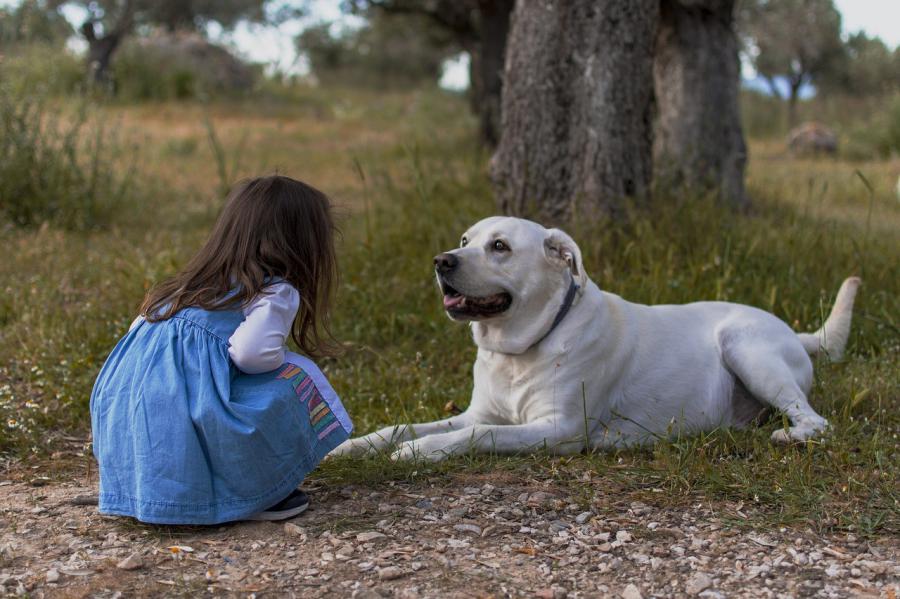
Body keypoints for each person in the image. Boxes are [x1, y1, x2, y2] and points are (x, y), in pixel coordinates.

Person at [90, 175, 352, 524]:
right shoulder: (274, 291)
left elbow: (137, 344)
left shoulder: (182, 289)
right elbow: (251, 354)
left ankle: (149, 489)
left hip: (125, 416)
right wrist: (280, 361)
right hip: (185, 418)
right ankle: (254, 492)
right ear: (303, 244)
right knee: (297, 376)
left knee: (187, 397)